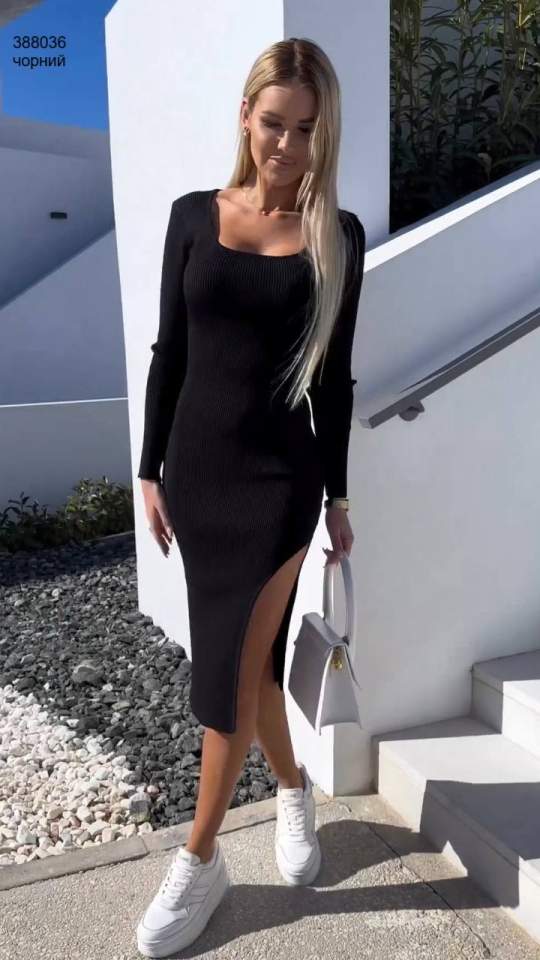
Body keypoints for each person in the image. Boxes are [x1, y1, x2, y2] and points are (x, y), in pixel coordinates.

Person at [135, 36, 366, 958]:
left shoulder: (337, 237)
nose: (287, 146)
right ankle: (295, 789)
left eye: (307, 129)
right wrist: (148, 469)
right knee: (253, 665)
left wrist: (338, 499)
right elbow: (170, 352)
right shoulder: (193, 217)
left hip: (279, 488)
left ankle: (200, 860)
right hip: (198, 480)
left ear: (323, 134)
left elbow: (335, 384)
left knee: (228, 673)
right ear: (245, 117)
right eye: (274, 123)